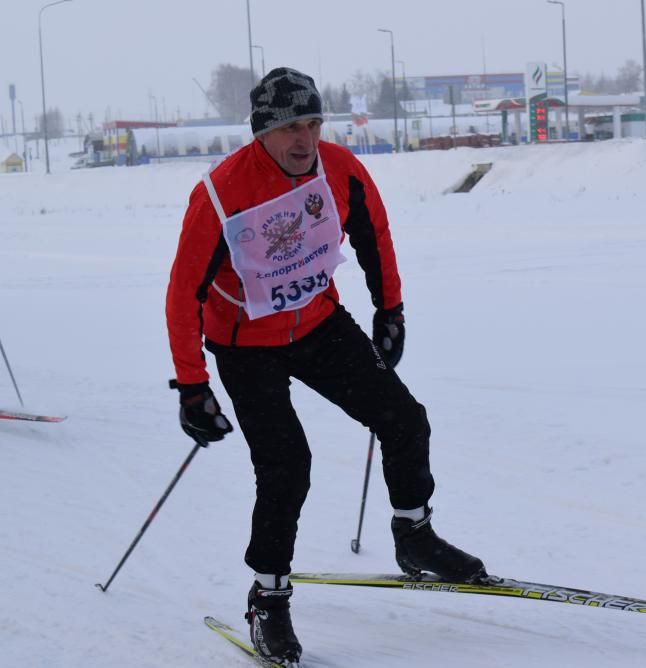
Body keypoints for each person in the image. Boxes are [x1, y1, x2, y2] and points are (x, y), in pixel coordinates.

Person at [165, 67, 486, 666]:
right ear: (262, 131)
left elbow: (374, 235)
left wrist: (391, 310)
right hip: (244, 343)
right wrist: (191, 385)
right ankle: (268, 597)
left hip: (316, 322)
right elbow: (184, 291)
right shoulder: (221, 191)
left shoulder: (340, 168)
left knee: (405, 419)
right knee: (288, 464)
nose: (304, 138)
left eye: (312, 122)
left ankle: (414, 536)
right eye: (289, 126)